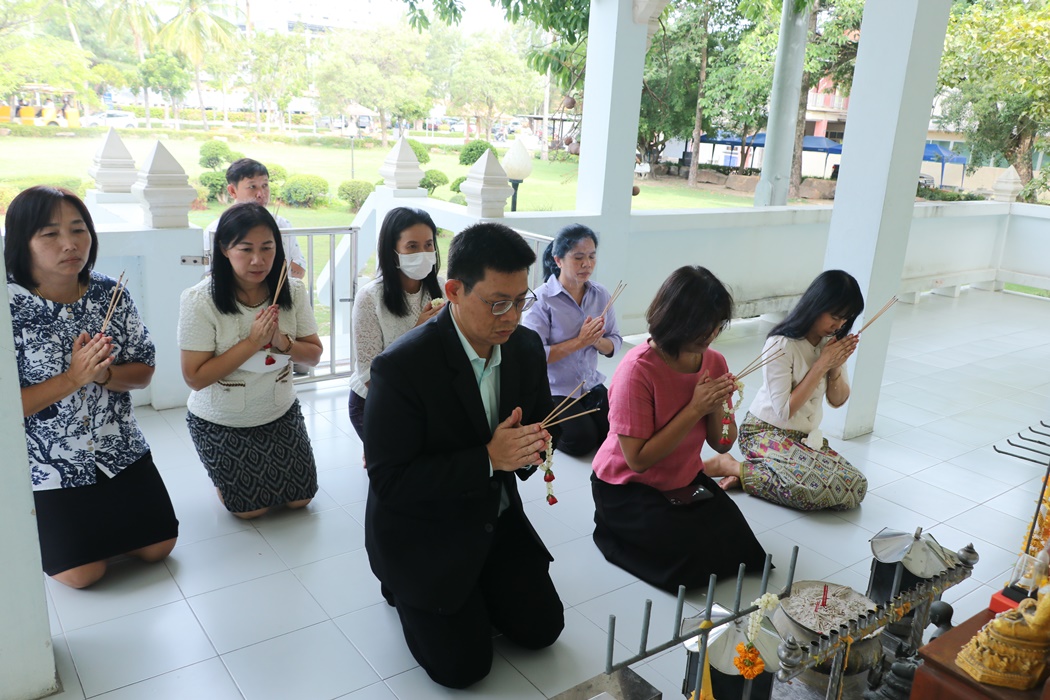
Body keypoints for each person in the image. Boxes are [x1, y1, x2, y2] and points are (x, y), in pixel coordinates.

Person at [364, 222, 564, 689]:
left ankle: (475, 590)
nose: (512, 316)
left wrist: (535, 445)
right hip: (425, 527)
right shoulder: (401, 368)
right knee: (463, 669)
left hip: (492, 515)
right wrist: (489, 458)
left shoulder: (525, 348)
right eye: (498, 302)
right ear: (454, 291)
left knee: (542, 632)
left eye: (521, 300)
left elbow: (542, 422)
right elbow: (390, 481)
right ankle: (403, 587)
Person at [5, 186, 178, 588]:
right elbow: (8, 407)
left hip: (119, 447)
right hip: (50, 464)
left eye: (78, 229)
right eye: (50, 234)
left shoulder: (109, 293)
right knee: (83, 574)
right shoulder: (7, 306)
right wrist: (73, 378)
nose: (69, 244)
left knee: (159, 548)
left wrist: (103, 374)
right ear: (22, 242)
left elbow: (144, 371)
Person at [591, 266, 767, 593]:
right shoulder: (637, 369)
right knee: (687, 566)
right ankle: (611, 527)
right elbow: (637, 460)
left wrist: (716, 407)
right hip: (627, 486)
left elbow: (722, 443)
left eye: (716, 325)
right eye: (702, 325)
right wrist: (695, 409)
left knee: (744, 551)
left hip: (683, 479)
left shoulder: (714, 362)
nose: (710, 334)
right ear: (675, 318)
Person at [179, 203, 323, 518]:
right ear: (224, 249)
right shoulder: (199, 300)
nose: (258, 260)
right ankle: (221, 472)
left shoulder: (292, 291)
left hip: (278, 410)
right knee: (250, 510)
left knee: (301, 499)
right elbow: (195, 378)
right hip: (222, 418)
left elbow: (313, 355)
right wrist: (253, 342)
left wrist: (282, 342)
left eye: (267, 248)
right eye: (246, 249)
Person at [704, 270, 868, 511]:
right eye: (835, 317)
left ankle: (751, 474)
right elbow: (784, 411)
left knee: (856, 485)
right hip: (765, 431)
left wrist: (834, 367)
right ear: (816, 305)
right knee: (809, 489)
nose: (839, 325)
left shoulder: (830, 344)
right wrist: (822, 365)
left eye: (846, 319)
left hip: (803, 439)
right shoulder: (781, 344)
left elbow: (838, 400)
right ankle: (730, 466)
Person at [523, 224, 622, 456]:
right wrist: (580, 341)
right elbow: (533, 356)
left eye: (591, 256)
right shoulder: (541, 300)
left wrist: (596, 340)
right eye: (578, 258)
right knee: (581, 441)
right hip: (554, 388)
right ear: (558, 260)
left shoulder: (601, 294)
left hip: (589, 383)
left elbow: (615, 341)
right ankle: (537, 416)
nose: (587, 264)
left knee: (616, 432)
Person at [347, 207, 444, 439]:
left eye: (428, 245)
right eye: (412, 246)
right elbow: (369, 375)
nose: (423, 253)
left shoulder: (441, 288)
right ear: (392, 252)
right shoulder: (370, 297)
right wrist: (417, 332)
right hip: (376, 401)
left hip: (426, 398)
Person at [203, 158, 307, 280]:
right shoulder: (217, 229)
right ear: (232, 191)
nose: (261, 194)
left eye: (265, 185)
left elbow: (299, 269)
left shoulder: (281, 224)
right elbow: (211, 274)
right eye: (252, 186)